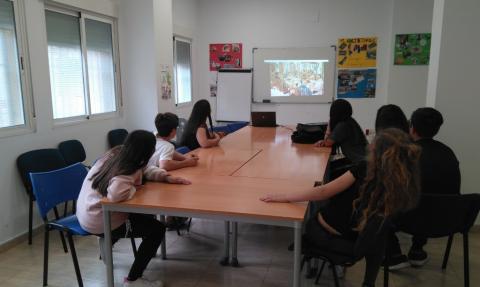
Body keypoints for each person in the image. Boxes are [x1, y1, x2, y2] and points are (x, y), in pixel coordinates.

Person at [261, 128, 421, 287]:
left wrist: (284, 196)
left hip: (329, 236)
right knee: (379, 232)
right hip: (361, 241)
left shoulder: (365, 168)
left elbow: (323, 192)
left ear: (378, 151)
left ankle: (314, 264)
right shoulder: (404, 184)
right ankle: (368, 283)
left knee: (312, 211)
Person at [76, 130, 191, 287]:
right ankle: (133, 280)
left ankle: (108, 239)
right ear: (148, 151)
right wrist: (134, 188)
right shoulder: (127, 168)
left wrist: (166, 177)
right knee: (157, 230)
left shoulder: (118, 153)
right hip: (100, 219)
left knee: (147, 217)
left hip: (87, 212)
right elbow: (116, 195)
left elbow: (145, 170)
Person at [385, 107, 461, 269]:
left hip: (411, 220)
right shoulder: (449, 153)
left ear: (411, 127)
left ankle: (394, 254)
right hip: (448, 221)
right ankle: (417, 250)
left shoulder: (406, 153)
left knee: (379, 202)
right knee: (427, 200)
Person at [315, 99, 368, 164]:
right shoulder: (351, 121)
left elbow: (327, 143)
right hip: (365, 158)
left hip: (360, 162)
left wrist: (330, 123)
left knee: (329, 168)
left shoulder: (342, 125)